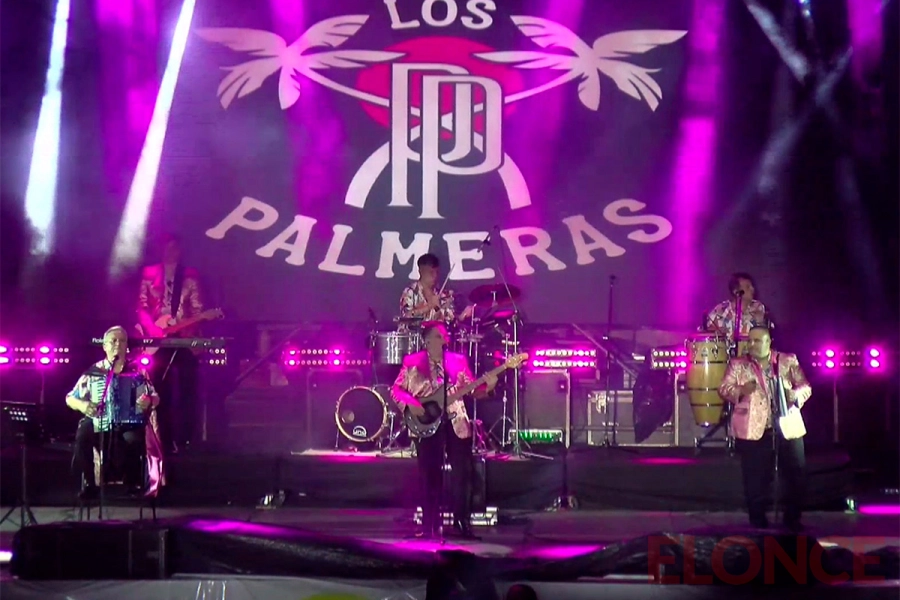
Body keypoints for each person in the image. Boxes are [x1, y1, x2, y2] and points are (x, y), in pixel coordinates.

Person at [391, 322, 497, 539]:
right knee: (429, 474)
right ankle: (430, 524)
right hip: (425, 421)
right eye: (440, 337)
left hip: (455, 421)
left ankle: (461, 523)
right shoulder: (413, 362)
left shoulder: (457, 361)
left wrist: (490, 385)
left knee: (462, 474)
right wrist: (410, 404)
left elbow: (474, 390)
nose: (445, 340)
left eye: (445, 337)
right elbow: (396, 390)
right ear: (428, 340)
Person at [718, 326, 812, 531]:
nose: (751, 345)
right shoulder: (738, 365)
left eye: (757, 341)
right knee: (755, 477)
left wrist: (794, 396)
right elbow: (724, 389)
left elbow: (805, 386)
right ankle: (757, 520)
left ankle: (792, 519)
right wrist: (741, 390)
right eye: (749, 341)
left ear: (769, 342)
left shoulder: (787, 361)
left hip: (787, 426)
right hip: (754, 428)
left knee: (796, 473)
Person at [66, 326, 165, 499]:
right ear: (104, 346)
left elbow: (155, 397)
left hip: (128, 421)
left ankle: (132, 483)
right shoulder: (94, 372)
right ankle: (90, 483)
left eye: (121, 341)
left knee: (134, 439)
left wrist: (148, 401)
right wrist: (83, 405)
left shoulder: (137, 371)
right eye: (112, 341)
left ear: (127, 346)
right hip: (100, 420)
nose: (117, 345)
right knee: (83, 436)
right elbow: (70, 398)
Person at [137, 233, 204, 452]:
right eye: (167, 247)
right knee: (157, 388)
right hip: (157, 339)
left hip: (182, 338)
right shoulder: (149, 274)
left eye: (175, 248)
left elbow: (197, 309)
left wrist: (189, 330)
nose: (171, 251)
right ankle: (159, 435)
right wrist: (153, 329)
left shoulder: (190, 276)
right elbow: (141, 306)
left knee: (187, 387)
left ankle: (185, 437)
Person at [399, 254, 474, 323]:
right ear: (421, 272)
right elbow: (406, 317)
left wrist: (461, 316)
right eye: (431, 272)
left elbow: (449, 321)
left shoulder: (442, 295)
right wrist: (428, 306)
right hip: (414, 336)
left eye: (437, 272)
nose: (435, 276)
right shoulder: (410, 292)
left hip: (436, 335)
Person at [704, 273, 769, 348]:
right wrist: (713, 332)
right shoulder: (720, 310)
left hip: (751, 356)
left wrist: (761, 322)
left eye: (752, 286)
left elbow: (768, 335)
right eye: (748, 287)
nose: (752, 289)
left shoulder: (758, 307)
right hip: (725, 356)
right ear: (736, 292)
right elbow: (704, 334)